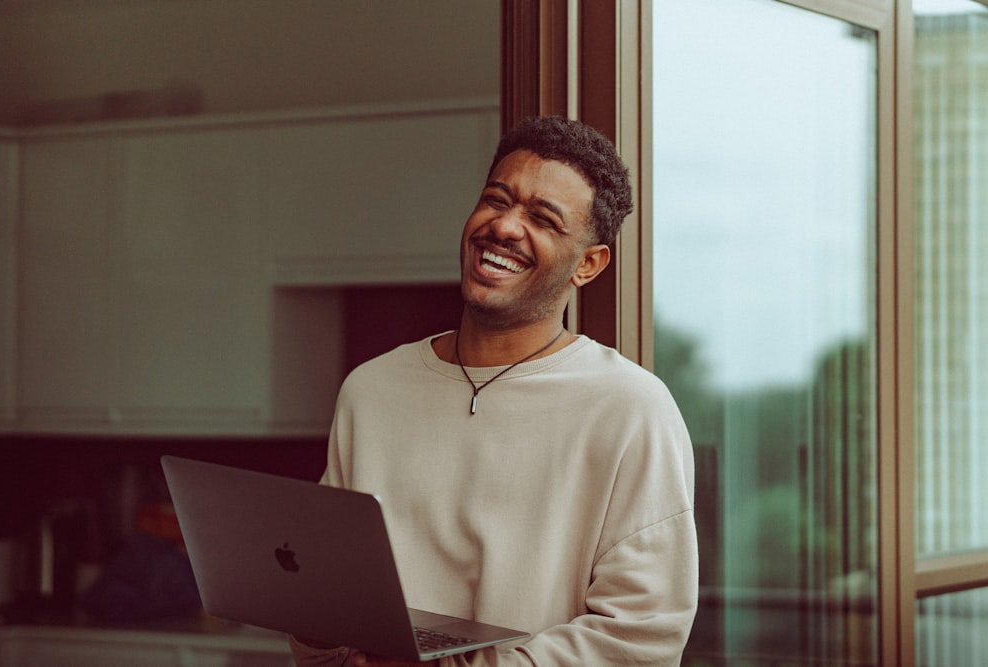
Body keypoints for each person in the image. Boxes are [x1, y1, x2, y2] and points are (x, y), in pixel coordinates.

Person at [289, 116, 698, 666]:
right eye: (495, 199)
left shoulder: (631, 409)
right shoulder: (371, 390)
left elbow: (641, 637)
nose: (504, 227)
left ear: (589, 264)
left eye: (543, 219)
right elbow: (325, 613)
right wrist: (316, 632)